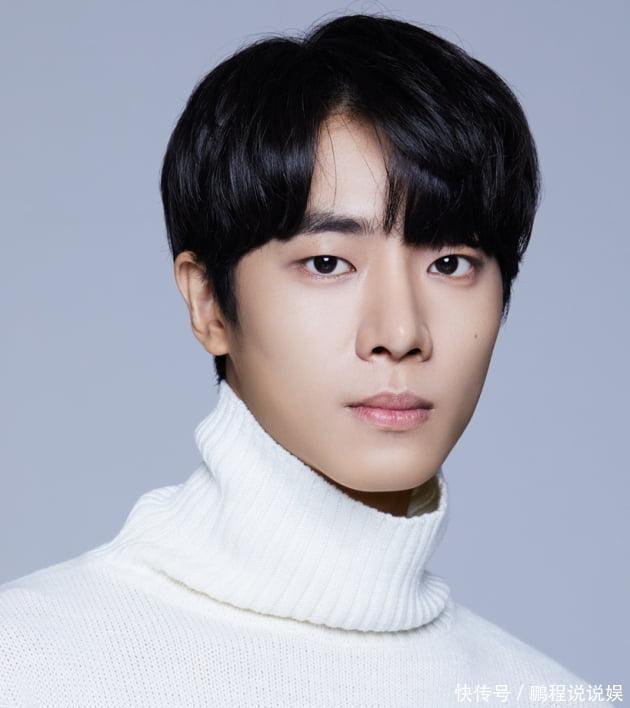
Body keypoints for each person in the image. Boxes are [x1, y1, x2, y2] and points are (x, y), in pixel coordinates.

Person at [0, 13, 605, 707]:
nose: (399, 332)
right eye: (327, 263)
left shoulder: (551, 696)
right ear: (208, 302)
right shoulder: (28, 662)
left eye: (449, 263)